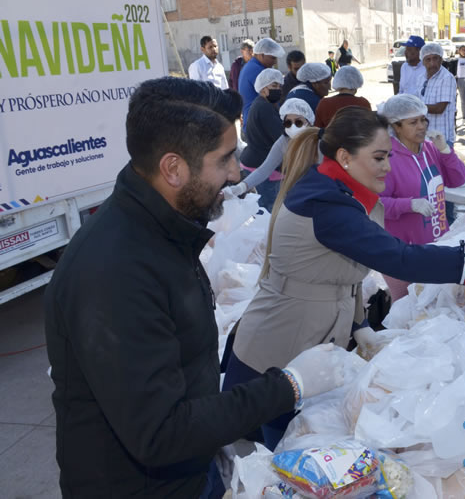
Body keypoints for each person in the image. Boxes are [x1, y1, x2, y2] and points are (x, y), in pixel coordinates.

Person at [44, 77, 351, 497]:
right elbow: (160, 431)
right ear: (173, 168)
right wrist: (289, 385)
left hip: (186, 472)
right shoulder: (113, 270)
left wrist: (212, 448)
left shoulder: (162, 231)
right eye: (224, 159)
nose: (235, 172)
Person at [224, 106, 465, 449]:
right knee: (277, 455)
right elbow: (401, 259)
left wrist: (359, 325)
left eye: (389, 156)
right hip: (277, 349)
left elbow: (341, 273)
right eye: (378, 158)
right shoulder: (326, 204)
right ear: (345, 157)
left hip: (309, 340)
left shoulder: (341, 192)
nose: (387, 167)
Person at [377, 95, 465, 300]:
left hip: (436, 243)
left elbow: (458, 179)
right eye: (413, 122)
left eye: (423, 120)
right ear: (396, 126)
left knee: (434, 307)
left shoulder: (429, 149)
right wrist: (409, 204)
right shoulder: (387, 156)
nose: (421, 126)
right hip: (402, 252)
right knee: (406, 310)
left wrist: (445, 151)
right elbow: (376, 203)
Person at [225, 98, 316, 203]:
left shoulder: (318, 141)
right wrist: (241, 187)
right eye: (288, 123)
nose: (293, 126)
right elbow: (264, 169)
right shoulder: (283, 142)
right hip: (298, 193)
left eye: (299, 122)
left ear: (309, 122)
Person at [240, 68, 286, 209]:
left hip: (255, 162)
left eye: (279, 86)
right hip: (263, 168)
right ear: (262, 88)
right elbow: (280, 137)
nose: (277, 89)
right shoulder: (264, 108)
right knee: (270, 211)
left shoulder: (262, 104)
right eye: (273, 86)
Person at [417, 42, 458, 147]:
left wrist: (415, 108)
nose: (432, 63)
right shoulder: (421, 78)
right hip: (425, 138)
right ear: (423, 62)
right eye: (428, 59)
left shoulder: (446, 78)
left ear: (441, 59)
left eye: (435, 58)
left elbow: (439, 108)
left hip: (442, 139)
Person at [238, 38, 285, 124]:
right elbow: (271, 99)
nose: (275, 62)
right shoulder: (258, 70)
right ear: (261, 55)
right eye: (272, 58)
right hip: (257, 124)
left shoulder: (251, 66)